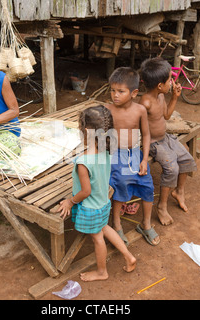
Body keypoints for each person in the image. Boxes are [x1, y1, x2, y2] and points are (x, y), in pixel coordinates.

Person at [58, 105, 137, 282]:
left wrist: (70, 201)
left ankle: (102, 272)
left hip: (91, 207)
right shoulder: (106, 151)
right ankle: (128, 256)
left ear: (86, 131)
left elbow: (85, 191)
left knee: (98, 238)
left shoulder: (83, 162)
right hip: (103, 202)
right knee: (104, 228)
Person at [139, 57, 197, 226]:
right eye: (169, 80)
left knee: (187, 158)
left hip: (166, 138)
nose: (172, 82)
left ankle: (179, 191)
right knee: (172, 169)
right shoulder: (146, 102)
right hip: (154, 144)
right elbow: (139, 127)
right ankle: (162, 207)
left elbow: (166, 116)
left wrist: (175, 97)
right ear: (159, 85)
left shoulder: (161, 96)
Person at [105, 67, 160, 246]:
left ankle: (145, 224)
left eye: (121, 91)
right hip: (115, 155)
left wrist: (144, 160)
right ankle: (117, 225)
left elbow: (145, 135)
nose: (115, 95)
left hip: (135, 153)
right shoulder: (107, 110)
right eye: (112, 90)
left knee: (147, 185)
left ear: (134, 92)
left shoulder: (140, 111)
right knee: (120, 183)